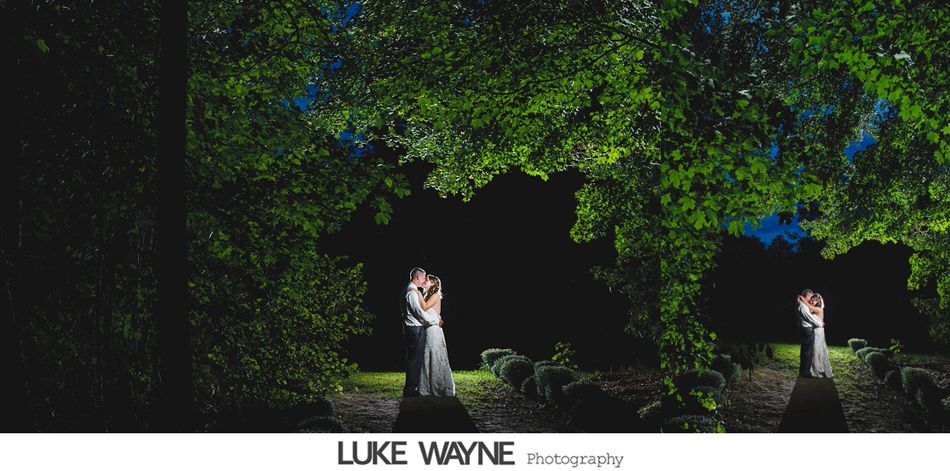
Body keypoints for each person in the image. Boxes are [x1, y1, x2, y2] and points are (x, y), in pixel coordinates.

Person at [414, 274, 456, 397]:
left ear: (433, 284)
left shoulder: (435, 296)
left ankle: (439, 386)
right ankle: (426, 386)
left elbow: (425, 307)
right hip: (428, 329)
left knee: (435, 355)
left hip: (434, 331)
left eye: (427, 280)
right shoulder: (426, 296)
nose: (425, 281)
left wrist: (417, 293)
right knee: (427, 355)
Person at [402, 267, 438, 397]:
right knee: (414, 359)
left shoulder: (410, 290)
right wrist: (435, 321)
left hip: (412, 328)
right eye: (423, 277)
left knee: (414, 358)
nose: (424, 280)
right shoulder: (411, 293)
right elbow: (418, 313)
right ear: (417, 277)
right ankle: (411, 389)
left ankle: (412, 387)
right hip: (415, 329)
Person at [796, 289, 832, 378]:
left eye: (813, 300)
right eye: (811, 299)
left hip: (818, 331)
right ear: (808, 296)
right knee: (812, 351)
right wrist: (800, 299)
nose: (811, 301)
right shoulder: (807, 307)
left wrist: (801, 298)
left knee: (818, 350)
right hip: (813, 329)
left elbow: (810, 310)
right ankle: (810, 369)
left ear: (818, 302)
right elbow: (809, 314)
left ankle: (818, 368)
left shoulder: (817, 309)